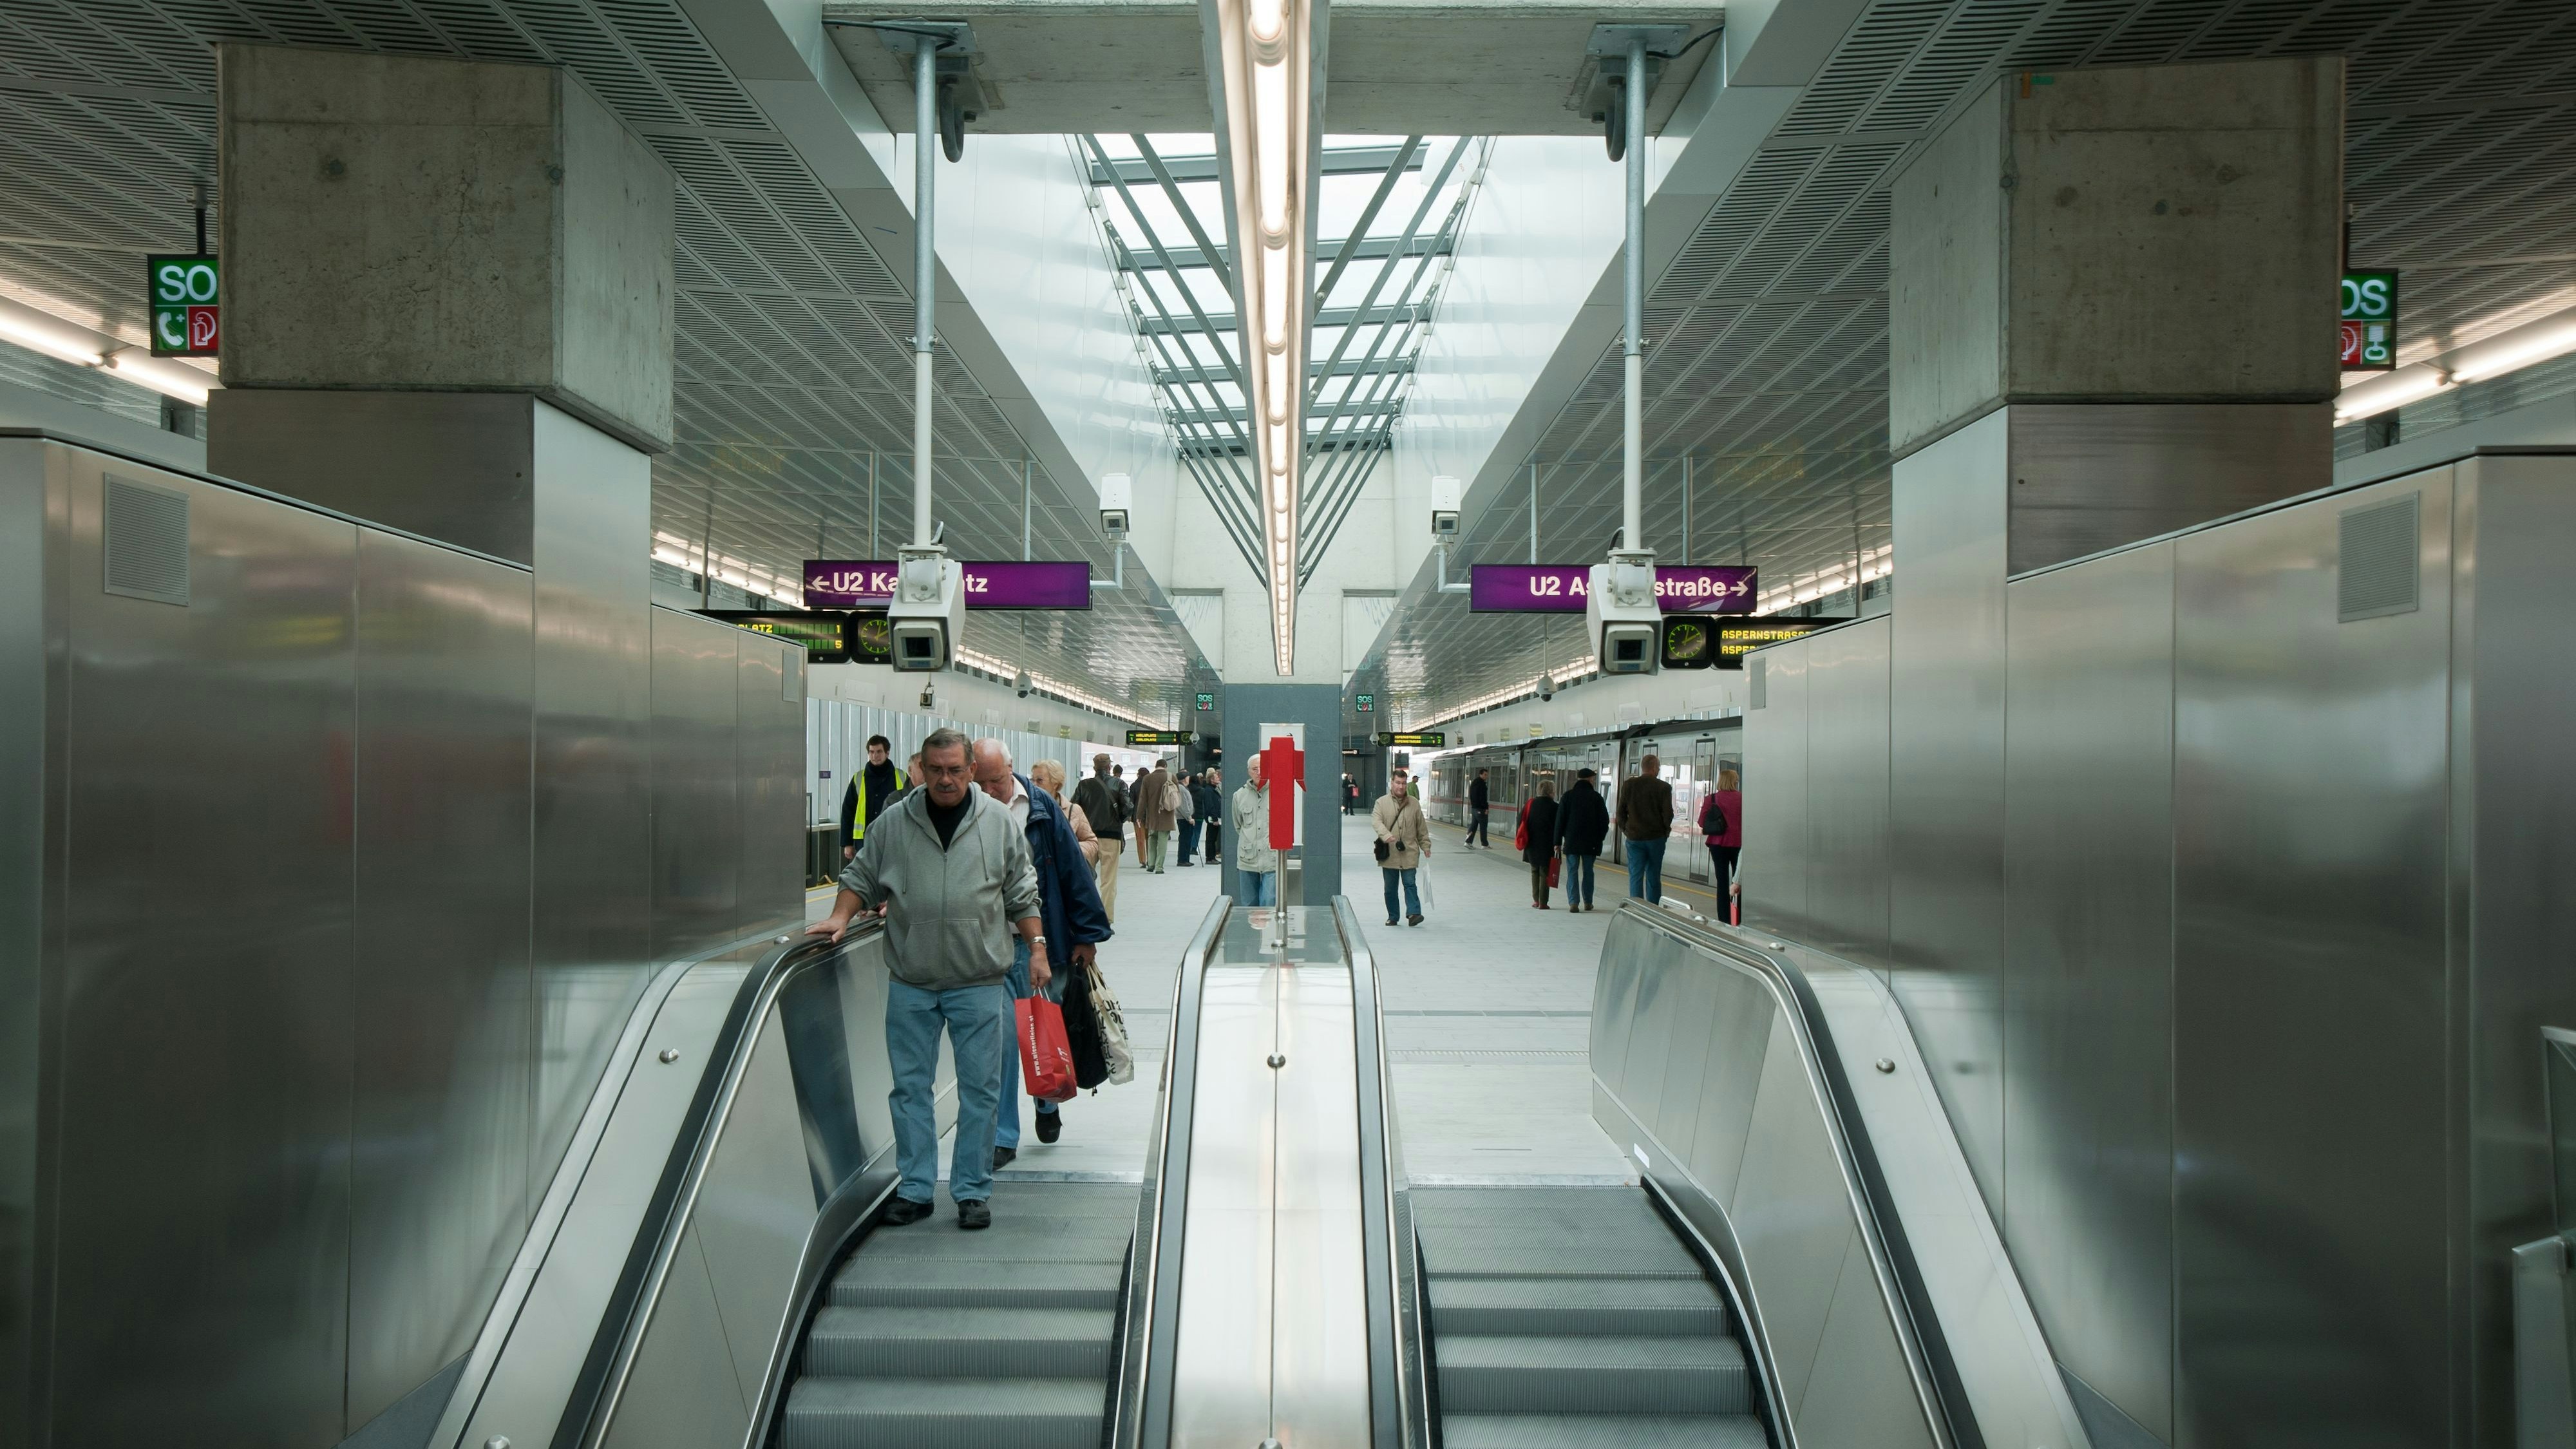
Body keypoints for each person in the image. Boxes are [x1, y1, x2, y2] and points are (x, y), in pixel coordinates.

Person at [806, 728, 1044, 1231]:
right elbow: (861, 877)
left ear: (971, 770)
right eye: (936, 770)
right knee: (909, 1089)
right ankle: (915, 1188)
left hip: (979, 980)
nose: (945, 779)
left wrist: (1038, 948)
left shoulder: (999, 823)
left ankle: (972, 1191)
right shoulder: (895, 822)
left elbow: (1022, 891)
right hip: (912, 981)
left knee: (980, 1091)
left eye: (956, 769)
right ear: (922, 768)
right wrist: (840, 917)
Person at [972, 739, 1112, 1167]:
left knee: (1039, 1030)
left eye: (997, 780)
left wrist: (1086, 935)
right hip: (986, 944)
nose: (991, 789)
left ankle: (1047, 1102)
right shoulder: (967, 808)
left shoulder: (1039, 808)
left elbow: (1071, 867)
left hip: (1038, 942)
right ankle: (1004, 1136)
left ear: (1010, 770)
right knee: (1000, 1042)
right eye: (983, 782)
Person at [1072, 755, 1132, 922]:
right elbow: (1128, 807)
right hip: (1111, 837)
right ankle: (1106, 918)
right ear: (1109, 768)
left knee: (1085, 877)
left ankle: (1086, 915)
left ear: (1094, 767)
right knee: (1109, 880)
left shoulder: (1084, 785)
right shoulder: (1119, 784)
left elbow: (1074, 808)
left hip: (1088, 838)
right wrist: (1118, 820)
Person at [1372, 772, 1430, 926]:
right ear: (1392, 783)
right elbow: (1376, 822)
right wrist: (1386, 835)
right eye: (1398, 783)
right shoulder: (1381, 803)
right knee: (1390, 888)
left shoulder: (1414, 803)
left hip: (1409, 851)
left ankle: (1414, 914)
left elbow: (1421, 827)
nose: (1401, 786)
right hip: (1389, 853)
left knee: (1410, 883)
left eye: (1404, 783)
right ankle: (1393, 916)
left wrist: (1426, 845)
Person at [838, 734, 908, 862]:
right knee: (866, 876)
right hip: (864, 840)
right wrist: (847, 843)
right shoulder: (858, 779)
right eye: (871, 752)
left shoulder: (902, 777)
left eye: (879, 752)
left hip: (894, 838)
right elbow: (848, 811)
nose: (875, 756)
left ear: (887, 753)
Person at [1617, 753, 1675, 903]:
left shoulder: (1629, 785)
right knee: (1654, 876)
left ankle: (1637, 908)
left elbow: (1620, 812)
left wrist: (1626, 830)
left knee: (1635, 876)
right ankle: (1653, 909)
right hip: (1656, 838)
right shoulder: (1664, 787)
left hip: (1635, 838)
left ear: (1643, 768)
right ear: (1655, 768)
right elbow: (1668, 813)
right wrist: (1665, 831)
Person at [1555, 766, 1611, 913]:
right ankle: (1588, 902)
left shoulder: (1568, 796)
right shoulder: (1596, 797)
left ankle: (1573, 903)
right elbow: (1604, 821)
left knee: (1572, 870)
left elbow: (1560, 820)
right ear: (1591, 779)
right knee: (1588, 871)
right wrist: (1600, 837)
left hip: (1572, 841)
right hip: (1591, 842)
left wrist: (1557, 842)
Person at [1031, 759, 1099, 867]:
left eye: (1039, 781)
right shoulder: (1026, 809)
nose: (1034, 785)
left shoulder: (1073, 811)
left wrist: (1070, 850)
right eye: (1032, 780)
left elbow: (1092, 843)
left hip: (1063, 876)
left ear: (1055, 784)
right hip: (1035, 876)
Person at [1230, 756, 1278, 905]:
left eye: (1262, 768)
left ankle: (1269, 930)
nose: (1259, 772)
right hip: (1247, 858)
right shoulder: (1239, 796)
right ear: (1248, 772)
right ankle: (1251, 930)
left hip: (1271, 858)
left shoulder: (1279, 793)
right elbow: (1238, 825)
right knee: (1249, 905)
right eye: (1254, 769)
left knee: (1268, 902)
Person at [1702, 767, 1743, 921]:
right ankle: (1738, 918)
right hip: (1738, 845)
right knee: (1738, 882)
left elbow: (1702, 822)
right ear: (1734, 782)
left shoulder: (1711, 799)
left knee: (1722, 883)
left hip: (1717, 845)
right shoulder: (1742, 799)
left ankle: (1724, 919)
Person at [1520, 776, 1562, 909]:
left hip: (1531, 843)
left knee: (1534, 870)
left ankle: (1536, 900)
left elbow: (1520, 820)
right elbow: (1559, 827)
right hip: (1547, 844)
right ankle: (1543, 902)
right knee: (1545, 871)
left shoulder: (1530, 804)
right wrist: (1557, 843)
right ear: (1551, 792)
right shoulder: (1555, 807)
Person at [1135, 758, 1176, 874]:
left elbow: (1142, 799)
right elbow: (1176, 796)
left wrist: (1139, 815)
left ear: (1156, 766)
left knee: (1152, 838)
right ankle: (1159, 867)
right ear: (1165, 766)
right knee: (1163, 840)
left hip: (1152, 815)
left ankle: (1151, 864)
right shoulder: (1171, 777)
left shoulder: (1147, 778)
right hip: (1167, 814)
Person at [1194, 769, 1224, 864]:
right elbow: (1210, 805)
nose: (1218, 778)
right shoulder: (1209, 790)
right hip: (1213, 818)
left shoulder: (1212, 789)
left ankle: (1212, 857)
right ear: (1211, 779)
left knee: (1213, 838)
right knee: (1211, 838)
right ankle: (1210, 858)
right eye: (1216, 777)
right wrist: (1215, 818)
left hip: (1215, 817)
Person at [1173, 761, 1200, 866]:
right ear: (1184, 779)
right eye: (1188, 777)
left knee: (1187, 839)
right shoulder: (1181, 789)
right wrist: (1189, 818)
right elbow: (1183, 806)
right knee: (1185, 839)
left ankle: (1185, 859)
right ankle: (1183, 860)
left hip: (1185, 818)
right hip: (1184, 818)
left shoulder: (1183, 788)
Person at [1465, 768, 1491, 848]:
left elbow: (1472, 796)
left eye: (1487, 775)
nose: (1486, 777)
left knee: (1474, 826)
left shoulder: (1474, 783)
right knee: (1483, 827)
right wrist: (1486, 808)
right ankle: (1484, 844)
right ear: (1481, 774)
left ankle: (1468, 842)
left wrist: (1473, 805)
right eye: (1485, 775)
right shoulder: (1482, 784)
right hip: (1481, 809)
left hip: (1474, 808)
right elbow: (1483, 798)